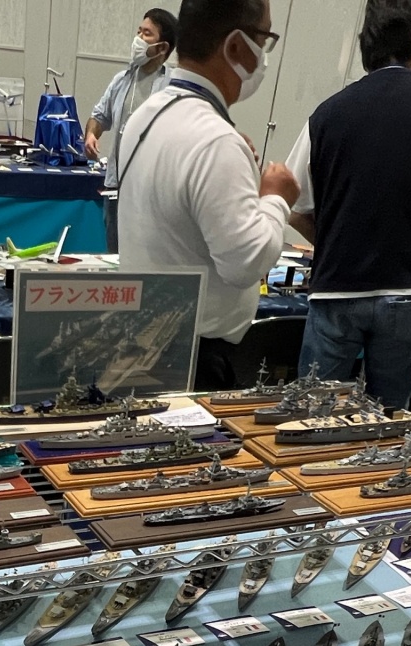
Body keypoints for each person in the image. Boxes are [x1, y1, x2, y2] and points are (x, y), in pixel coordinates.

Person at [283, 0, 411, 406]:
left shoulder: (327, 114)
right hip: (409, 289)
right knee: (388, 418)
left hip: (338, 288)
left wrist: (331, 243)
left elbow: (296, 207)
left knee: (312, 413)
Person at [117, 0, 297, 389]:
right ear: (236, 46)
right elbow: (246, 263)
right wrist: (276, 198)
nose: (264, 54)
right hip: (195, 358)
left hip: (142, 341)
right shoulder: (215, 141)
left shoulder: (147, 115)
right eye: (263, 38)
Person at [85, 7, 175, 251]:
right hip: (115, 186)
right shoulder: (122, 80)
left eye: (147, 34)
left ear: (162, 47)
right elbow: (99, 116)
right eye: (138, 31)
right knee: (115, 256)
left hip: (151, 192)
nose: (138, 39)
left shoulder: (173, 87)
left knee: (145, 256)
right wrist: (91, 134)